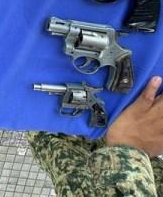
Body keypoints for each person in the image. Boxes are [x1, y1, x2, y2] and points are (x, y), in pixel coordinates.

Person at [28, 75, 163, 196]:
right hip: (143, 170)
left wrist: (129, 147)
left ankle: (35, 114)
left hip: (122, 174)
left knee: (52, 143)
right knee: (100, 130)